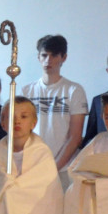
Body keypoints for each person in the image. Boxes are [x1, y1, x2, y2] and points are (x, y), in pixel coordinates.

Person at [22, 34, 87, 173]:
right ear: (38, 57)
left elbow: (75, 137)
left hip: (64, 169)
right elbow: (22, 131)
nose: (48, 60)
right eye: (44, 55)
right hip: (32, 166)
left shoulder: (74, 90)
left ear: (64, 57)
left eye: (54, 55)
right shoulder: (26, 91)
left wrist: (54, 167)